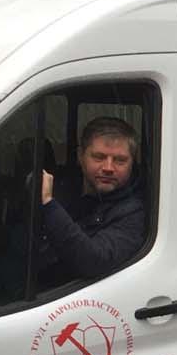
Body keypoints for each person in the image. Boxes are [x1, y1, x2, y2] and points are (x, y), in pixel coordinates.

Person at [37, 117, 148, 283]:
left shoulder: (135, 211)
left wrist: (48, 203)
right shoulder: (67, 188)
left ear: (133, 163)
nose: (108, 168)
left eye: (120, 160)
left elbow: (93, 260)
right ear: (80, 156)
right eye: (99, 157)